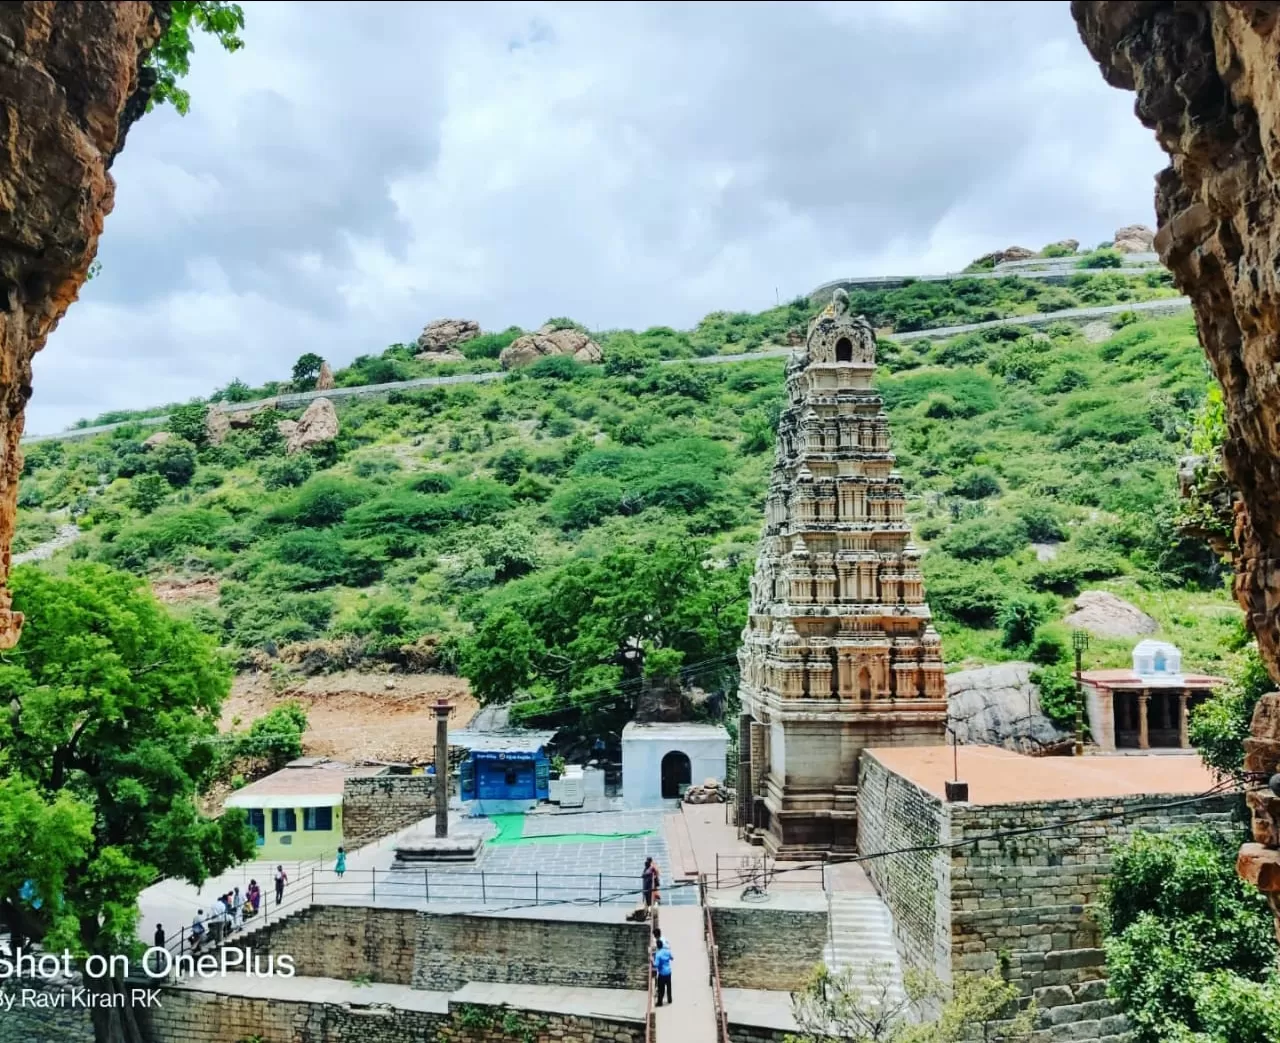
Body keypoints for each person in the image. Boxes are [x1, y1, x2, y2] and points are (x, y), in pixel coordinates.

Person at [652, 937, 673, 1007]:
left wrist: (652, 960)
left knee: (661, 988)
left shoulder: (658, 954)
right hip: (668, 972)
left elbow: (655, 965)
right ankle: (669, 999)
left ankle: (660, 1002)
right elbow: (672, 958)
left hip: (662, 973)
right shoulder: (667, 951)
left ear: (657, 946)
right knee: (669, 986)